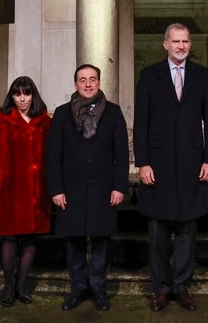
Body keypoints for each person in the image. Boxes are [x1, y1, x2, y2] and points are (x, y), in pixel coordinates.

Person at [134, 22, 208, 312]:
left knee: (187, 229)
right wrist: (142, 162)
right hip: (157, 164)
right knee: (157, 230)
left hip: (192, 163)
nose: (181, 46)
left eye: (185, 41)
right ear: (165, 44)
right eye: (176, 41)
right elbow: (141, 123)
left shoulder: (204, 76)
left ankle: (181, 285)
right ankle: (161, 288)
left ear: (190, 45)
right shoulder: (148, 76)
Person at [47, 64, 129, 313]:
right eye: (82, 80)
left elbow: (122, 154)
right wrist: (56, 189)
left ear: (99, 82)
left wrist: (119, 187)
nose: (88, 84)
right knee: (75, 243)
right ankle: (77, 289)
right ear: (75, 84)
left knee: (102, 241)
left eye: (92, 79)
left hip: (103, 188)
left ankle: (99, 290)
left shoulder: (113, 112)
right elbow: (53, 155)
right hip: (71, 189)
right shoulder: (62, 114)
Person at [0, 76, 52, 306]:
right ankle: (8, 286)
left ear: (33, 95)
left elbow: (53, 157)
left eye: (26, 93)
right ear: (12, 96)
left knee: (30, 241)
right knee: (9, 240)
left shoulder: (45, 123)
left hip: (37, 193)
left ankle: (21, 286)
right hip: (9, 193)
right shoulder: (1, 123)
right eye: (17, 94)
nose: (22, 99)